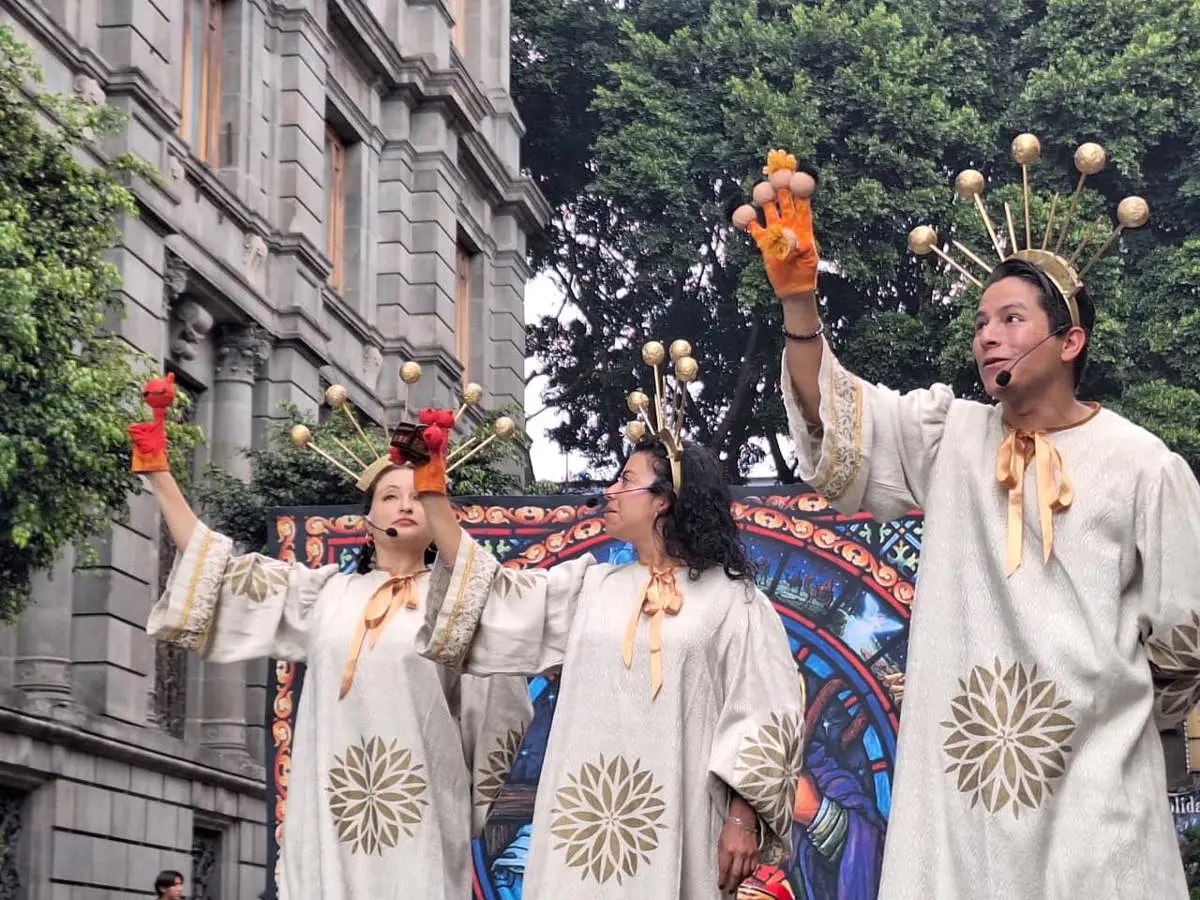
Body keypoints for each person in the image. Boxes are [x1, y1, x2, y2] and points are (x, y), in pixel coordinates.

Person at [734, 142, 1200, 898]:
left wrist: (1094, 712)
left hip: (1095, 798)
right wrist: (799, 303)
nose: (986, 335)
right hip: (962, 806)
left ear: (1070, 340)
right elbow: (839, 428)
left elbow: (1184, 642)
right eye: (982, 320)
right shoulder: (948, 437)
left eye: (1011, 319)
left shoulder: (1143, 466)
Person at [407, 369, 806, 899]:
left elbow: (765, 713)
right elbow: (489, 598)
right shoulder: (590, 587)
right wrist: (434, 497)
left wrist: (742, 820)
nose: (609, 491)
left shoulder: (735, 602)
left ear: (664, 498)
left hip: (682, 824)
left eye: (624, 480)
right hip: (582, 832)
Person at [130, 374, 532, 900]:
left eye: (419, 496)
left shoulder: (459, 599)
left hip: (423, 810)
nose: (405, 505)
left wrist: (469, 795)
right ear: (367, 520)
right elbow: (219, 575)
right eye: (390, 496)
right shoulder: (324, 595)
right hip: (330, 809)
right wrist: (160, 474)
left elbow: (500, 700)